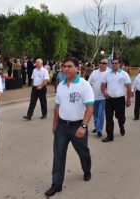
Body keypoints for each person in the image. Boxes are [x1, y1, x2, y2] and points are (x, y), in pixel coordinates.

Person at [45, 57, 94, 197]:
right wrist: (54, 125)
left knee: (83, 152)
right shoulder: (60, 85)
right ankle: (56, 184)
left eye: (69, 66)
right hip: (62, 126)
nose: (65, 69)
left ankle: (87, 170)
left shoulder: (84, 85)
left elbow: (89, 108)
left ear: (77, 68)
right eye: (64, 66)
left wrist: (83, 126)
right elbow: (57, 107)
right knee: (58, 155)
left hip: (78, 126)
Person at [101, 58, 132, 142]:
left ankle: (121, 126)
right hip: (109, 99)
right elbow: (103, 85)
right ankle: (110, 136)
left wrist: (128, 100)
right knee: (109, 118)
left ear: (119, 64)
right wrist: (104, 92)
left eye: (116, 63)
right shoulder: (107, 74)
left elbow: (129, 87)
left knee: (120, 117)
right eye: (113, 63)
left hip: (120, 100)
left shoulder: (124, 74)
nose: (114, 65)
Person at [88, 59, 110, 137]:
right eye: (101, 63)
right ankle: (97, 127)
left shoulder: (108, 73)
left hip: (103, 98)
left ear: (107, 64)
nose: (102, 64)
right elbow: (88, 83)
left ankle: (99, 130)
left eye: (104, 63)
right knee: (95, 114)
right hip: (93, 97)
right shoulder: (94, 72)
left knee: (101, 113)